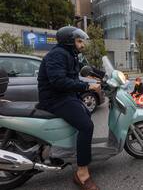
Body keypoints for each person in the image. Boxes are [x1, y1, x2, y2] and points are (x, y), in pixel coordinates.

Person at [37, 26, 100, 190]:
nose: (82, 45)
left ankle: (70, 152)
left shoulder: (69, 55)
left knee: (85, 115)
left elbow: (73, 76)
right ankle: (82, 174)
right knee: (86, 126)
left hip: (65, 96)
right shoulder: (58, 54)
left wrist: (97, 79)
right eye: (79, 41)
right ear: (69, 41)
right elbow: (58, 81)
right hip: (55, 99)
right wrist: (86, 87)